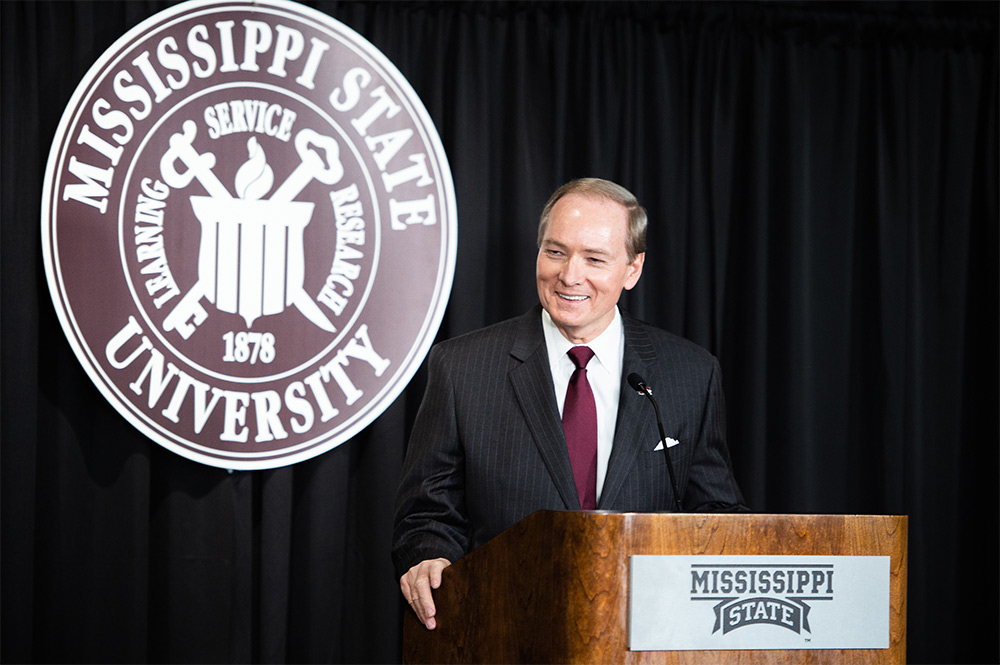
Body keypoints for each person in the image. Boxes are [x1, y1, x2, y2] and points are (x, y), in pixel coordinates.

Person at [392, 178, 747, 630]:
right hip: (503, 629)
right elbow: (426, 512)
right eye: (555, 252)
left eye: (594, 259)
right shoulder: (462, 368)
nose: (569, 275)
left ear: (633, 269)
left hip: (645, 632)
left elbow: (715, 513)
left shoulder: (690, 373)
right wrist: (430, 557)